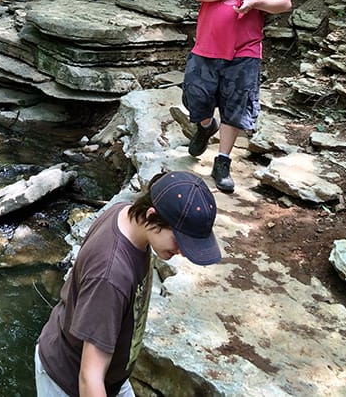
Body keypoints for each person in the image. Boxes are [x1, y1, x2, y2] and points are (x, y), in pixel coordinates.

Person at [35, 170, 221, 397]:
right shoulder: (111, 276)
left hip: (108, 370)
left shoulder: (125, 213)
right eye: (179, 240)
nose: (182, 251)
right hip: (68, 380)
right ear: (152, 216)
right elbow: (89, 378)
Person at [182, 0, 292, 194]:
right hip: (206, 47)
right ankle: (206, 127)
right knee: (195, 97)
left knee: (235, 107)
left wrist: (257, 2)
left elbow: (284, 2)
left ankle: (223, 161)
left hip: (246, 51)